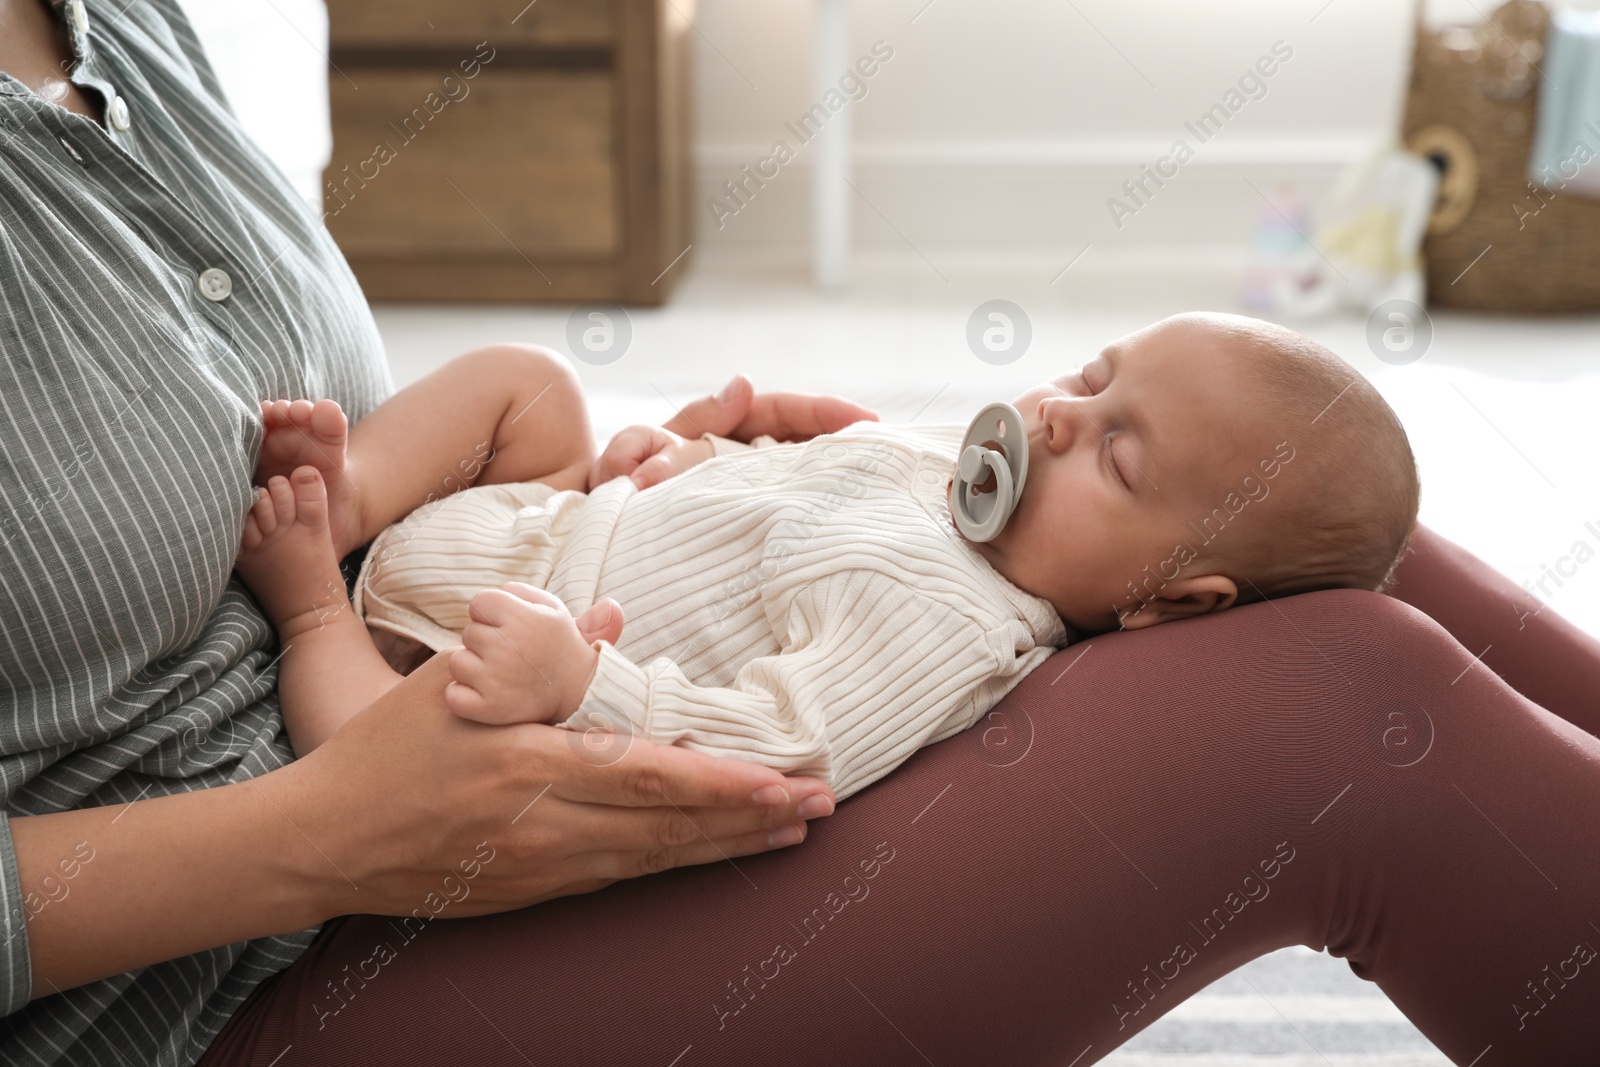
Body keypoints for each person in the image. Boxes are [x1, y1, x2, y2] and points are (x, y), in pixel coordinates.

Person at [1, 3, 1596, 1066]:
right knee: (1339, 709)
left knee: (1331, 506)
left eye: (1101, 432)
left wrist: (688, 496)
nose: (1044, 416)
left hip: (439, 619)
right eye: (1085, 385)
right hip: (211, 969)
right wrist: (338, 825)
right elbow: (743, 746)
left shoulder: (115, 22)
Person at [233, 312, 1420, 806]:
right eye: (1090, 378)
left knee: (373, 753)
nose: (1053, 418)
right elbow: (774, 503)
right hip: (552, 523)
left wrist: (578, 687)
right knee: (532, 383)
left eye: (1119, 455)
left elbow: (779, 741)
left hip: (471, 648)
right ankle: (358, 496)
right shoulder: (963, 476)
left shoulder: (953, 626)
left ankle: (309, 607)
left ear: (1167, 600)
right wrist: (688, 457)